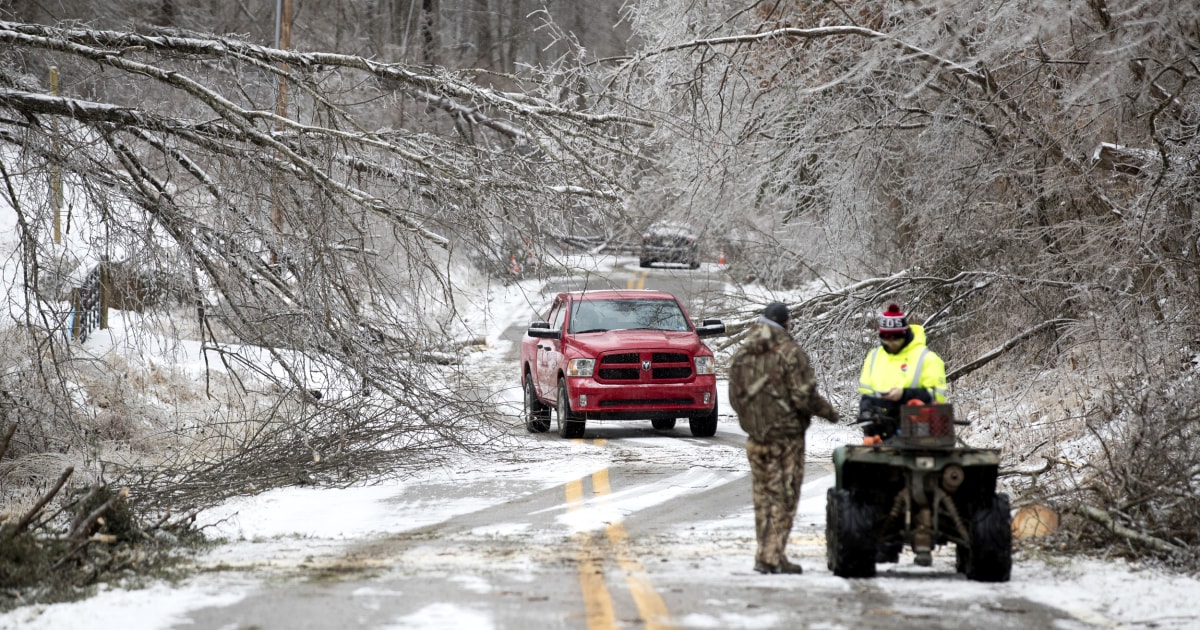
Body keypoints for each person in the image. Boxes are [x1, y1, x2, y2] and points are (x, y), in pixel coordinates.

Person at [728, 302, 839, 575]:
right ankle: (770, 556)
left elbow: (733, 396)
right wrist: (829, 413)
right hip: (787, 440)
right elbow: (804, 396)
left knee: (763, 497)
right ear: (786, 323)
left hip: (756, 439)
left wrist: (752, 421)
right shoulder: (791, 352)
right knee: (784, 498)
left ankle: (768, 553)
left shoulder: (743, 352)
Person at [856, 303, 947, 441]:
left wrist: (904, 395)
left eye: (896, 338)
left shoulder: (927, 358)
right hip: (878, 430)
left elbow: (937, 396)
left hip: (917, 430)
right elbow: (866, 393)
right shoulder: (873, 356)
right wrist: (866, 412)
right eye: (886, 338)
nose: (891, 343)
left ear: (905, 334)